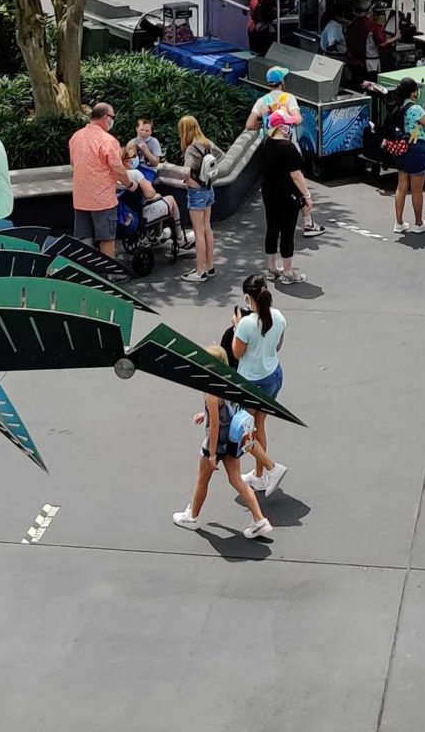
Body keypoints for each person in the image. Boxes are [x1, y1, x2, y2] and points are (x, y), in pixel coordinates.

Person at [172, 392, 273, 539]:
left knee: (202, 480)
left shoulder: (211, 395)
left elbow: (214, 426)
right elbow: (228, 409)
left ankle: (192, 517)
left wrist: (212, 454)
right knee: (236, 479)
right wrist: (205, 413)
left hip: (217, 444)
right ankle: (260, 520)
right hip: (232, 438)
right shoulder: (228, 383)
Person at [225, 273, 287, 487]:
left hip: (251, 383)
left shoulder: (247, 324)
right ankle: (259, 476)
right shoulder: (278, 317)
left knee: (244, 428)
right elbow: (277, 346)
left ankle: (271, 467)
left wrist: (236, 326)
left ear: (249, 299)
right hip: (273, 377)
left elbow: (236, 353)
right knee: (259, 424)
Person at [256, 110, 312, 282]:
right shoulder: (288, 148)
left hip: (269, 193)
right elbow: (296, 175)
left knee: (272, 229)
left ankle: (272, 268)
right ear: (282, 126)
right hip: (287, 196)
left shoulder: (265, 143)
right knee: (287, 232)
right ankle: (288, 271)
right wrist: (307, 195)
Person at [68, 103, 130, 260]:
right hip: (102, 200)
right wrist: (129, 184)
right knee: (106, 238)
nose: (112, 121)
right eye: (113, 117)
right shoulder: (108, 140)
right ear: (105, 117)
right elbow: (118, 168)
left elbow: (74, 163)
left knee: (84, 238)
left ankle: (89, 272)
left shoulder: (76, 137)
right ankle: (109, 275)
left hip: (80, 199)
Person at [385, 85, 425, 236]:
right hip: (416, 148)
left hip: (400, 148)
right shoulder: (415, 109)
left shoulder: (397, 107)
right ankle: (419, 223)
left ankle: (399, 222)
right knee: (417, 189)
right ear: (413, 92)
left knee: (401, 186)